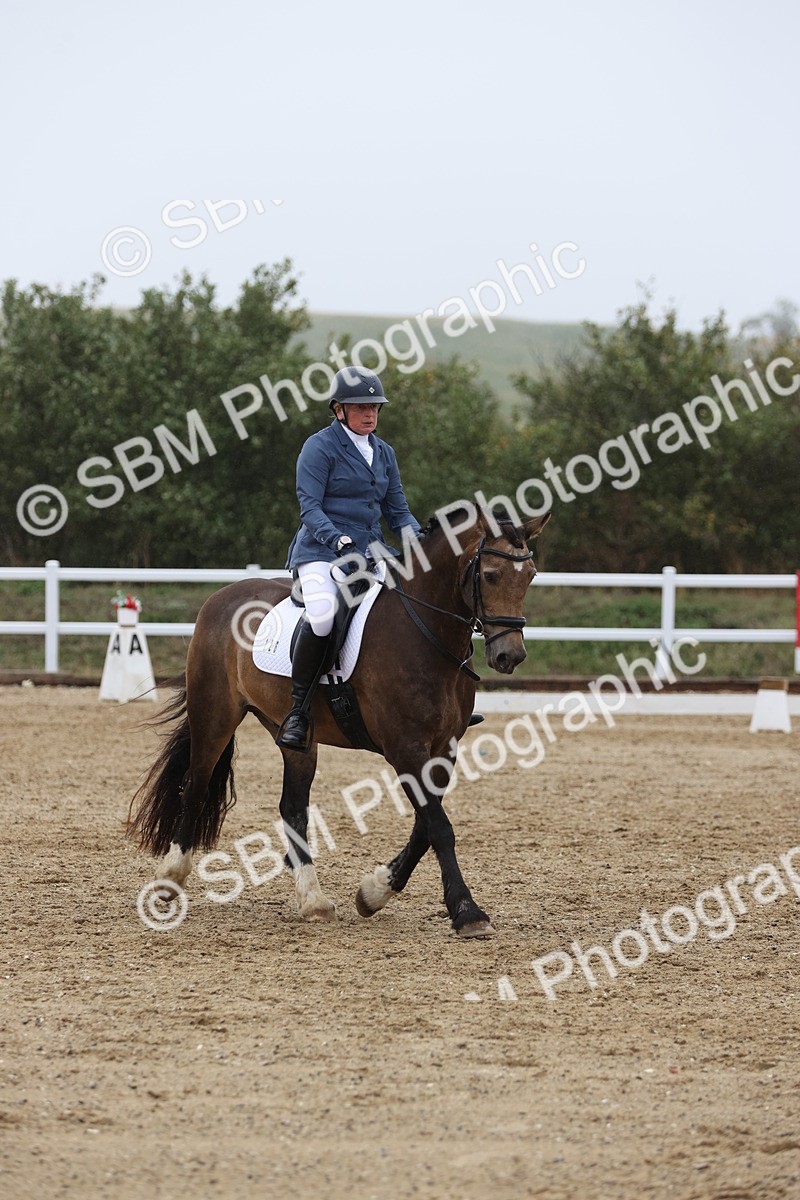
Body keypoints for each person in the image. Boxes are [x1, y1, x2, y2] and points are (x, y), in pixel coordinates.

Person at [278, 366, 422, 750]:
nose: (369, 413)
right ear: (339, 409)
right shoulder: (319, 447)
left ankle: (432, 700)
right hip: (322, 551)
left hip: (371, 552)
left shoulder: (384, 453)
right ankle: (298, 711)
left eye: (374, 407)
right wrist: (337, 539)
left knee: (414, 605)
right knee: (323, 615)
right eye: (360, 407)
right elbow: (310, 508)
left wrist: (419, 539)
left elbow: (398, 511)